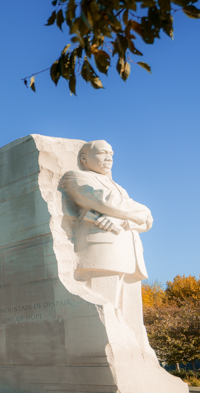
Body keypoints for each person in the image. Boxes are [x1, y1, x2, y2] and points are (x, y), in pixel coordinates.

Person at [60, 140, 154, 351]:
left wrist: (122, 220)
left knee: (131, 319)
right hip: (102, 252)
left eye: (111, 154)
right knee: (106, 316)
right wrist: (140, 212)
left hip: (130, 256)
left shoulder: (119, 188)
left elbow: (147, 220)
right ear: (84, 158)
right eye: (102, 153)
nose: (109, 158)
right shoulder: (75, 177)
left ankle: (135, 355)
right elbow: (105, 201)